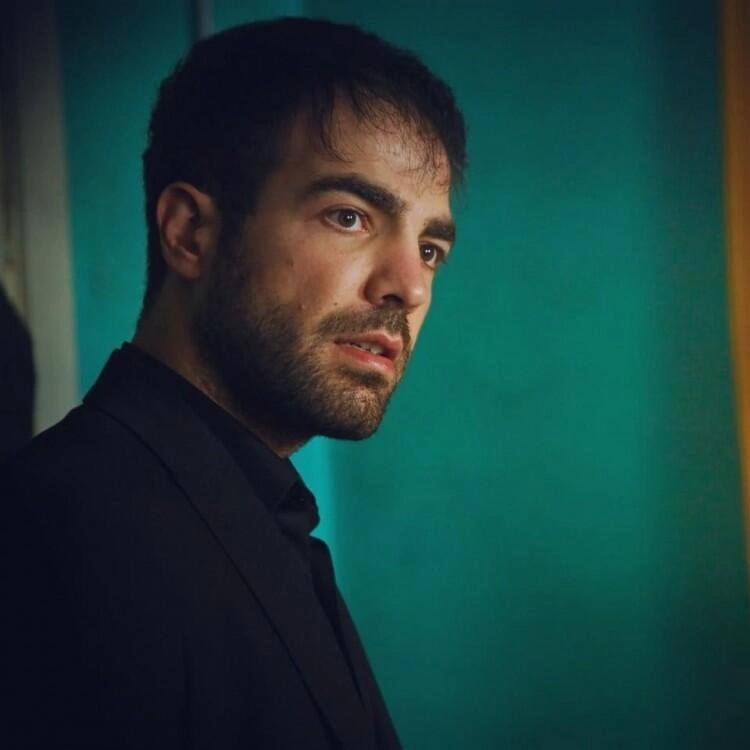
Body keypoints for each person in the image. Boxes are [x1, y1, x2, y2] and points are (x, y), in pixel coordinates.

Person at [0, 17, 466, 749]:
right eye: (349, 216)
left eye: (431, 247)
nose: (408, 286)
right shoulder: (61, 534)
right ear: (190, 232)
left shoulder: (260, 511)